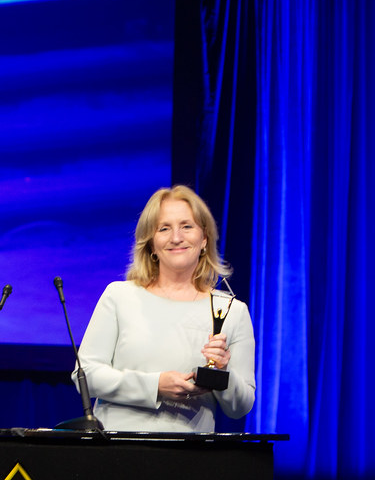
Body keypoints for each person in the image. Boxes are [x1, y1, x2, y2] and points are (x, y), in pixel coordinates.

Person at [74, 185, 255, 432]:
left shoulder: (232, 311)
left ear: (204, 239)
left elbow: (240, 407)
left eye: (187, 226)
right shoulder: (119, 296)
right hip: (117, 452)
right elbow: (86, 376)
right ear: (151, 244)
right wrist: (155, 385)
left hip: (191, 458)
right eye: (164, 228)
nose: (176, 237)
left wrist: (223, 373)